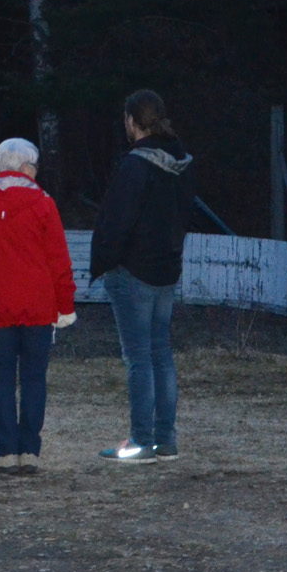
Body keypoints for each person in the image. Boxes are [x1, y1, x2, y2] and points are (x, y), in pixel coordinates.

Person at [0, 137, 77, 474]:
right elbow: (59, 260)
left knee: (2, 377)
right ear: (25, 167)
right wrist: (65, 304)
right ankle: (30, 450)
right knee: (34, 377)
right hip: (38, 305)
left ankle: (6, 450)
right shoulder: (44, 203)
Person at [89, 89, 195, 464]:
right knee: (160, 355)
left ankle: (141, 442)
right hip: (166, 269)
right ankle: (165, 440)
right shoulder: (181, 164)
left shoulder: (134, 167)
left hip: (133, 272)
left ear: (132, 121)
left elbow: (116, 222)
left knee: (139, 359)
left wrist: (104, 261)